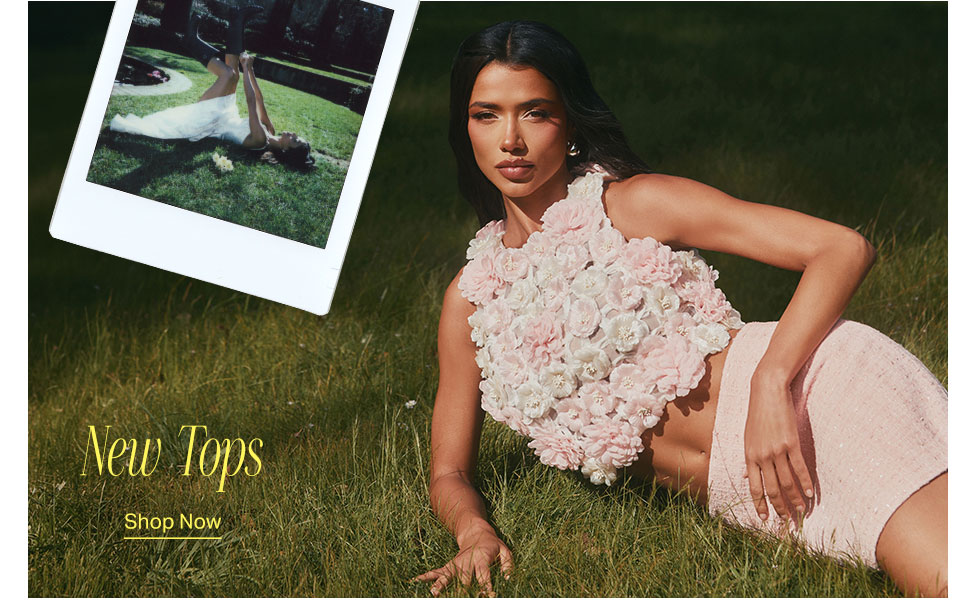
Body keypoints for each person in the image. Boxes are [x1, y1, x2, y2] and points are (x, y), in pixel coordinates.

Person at [413, 21, 948, 598]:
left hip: (816, 399)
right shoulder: (471, 298)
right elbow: (450, 472)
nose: (511, 139)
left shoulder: (630, 205)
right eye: (486, 115)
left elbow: (842, 248)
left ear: (569, 126)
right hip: (756, 492)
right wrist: (474, 533)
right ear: (465, 128)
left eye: (536, 113)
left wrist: (771, 381)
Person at [108, 5, 314, 171]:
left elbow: (251, 103)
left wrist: (246, 67)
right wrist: (250, 70)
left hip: (209, 122)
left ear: (286, 150)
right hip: (225, 113)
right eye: (296, 136)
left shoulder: (260, 140)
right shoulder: (270, 130)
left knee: (229, 74)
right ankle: (236, 20)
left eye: (294, 140)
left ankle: (192, 41)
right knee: (233, 73)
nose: (293, 134)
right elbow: (259, 99)